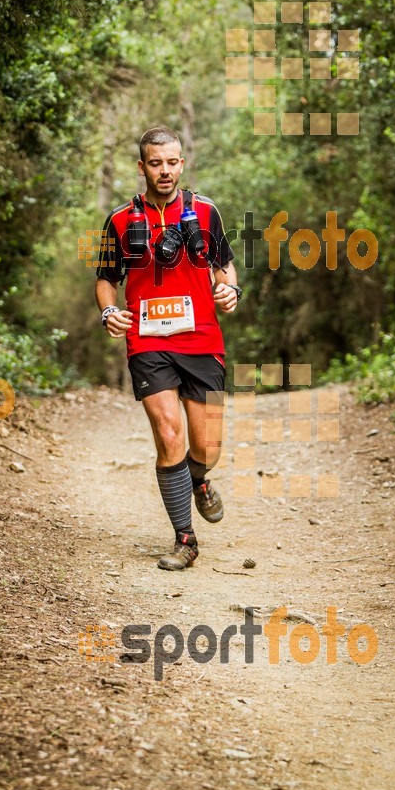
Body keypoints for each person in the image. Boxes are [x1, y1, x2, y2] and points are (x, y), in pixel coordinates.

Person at [94, 126, 241, 571]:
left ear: (182, 162)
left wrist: (230, 290)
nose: (165, 170)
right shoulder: (120, 220)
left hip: (202, 339)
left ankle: (196, 480)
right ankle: (185, 539)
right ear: (142, 167)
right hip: (147, 341)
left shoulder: (206, 211)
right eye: (155, 163)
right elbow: (106, 278)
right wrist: (108, 313)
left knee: (208, 447)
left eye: (172, 162)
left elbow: (225, 266)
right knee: (169, 434)